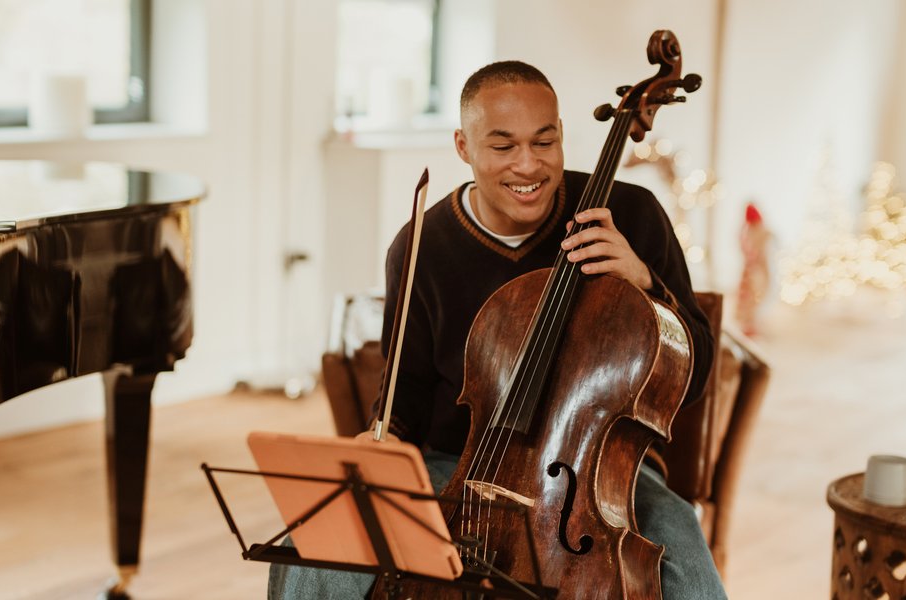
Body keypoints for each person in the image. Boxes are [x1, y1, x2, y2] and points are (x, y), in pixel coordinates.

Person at [269, 60, 723, 599]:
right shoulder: (421, 245)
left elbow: (690, 379)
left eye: (545, 142)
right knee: (315, 550)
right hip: (457, 468)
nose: (527, 166)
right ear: (463, 146)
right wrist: (383, 438)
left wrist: (645, 282)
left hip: (597, 476)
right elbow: (404, 395)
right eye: (503, 146)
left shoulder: (631, 214)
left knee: (685, 568)